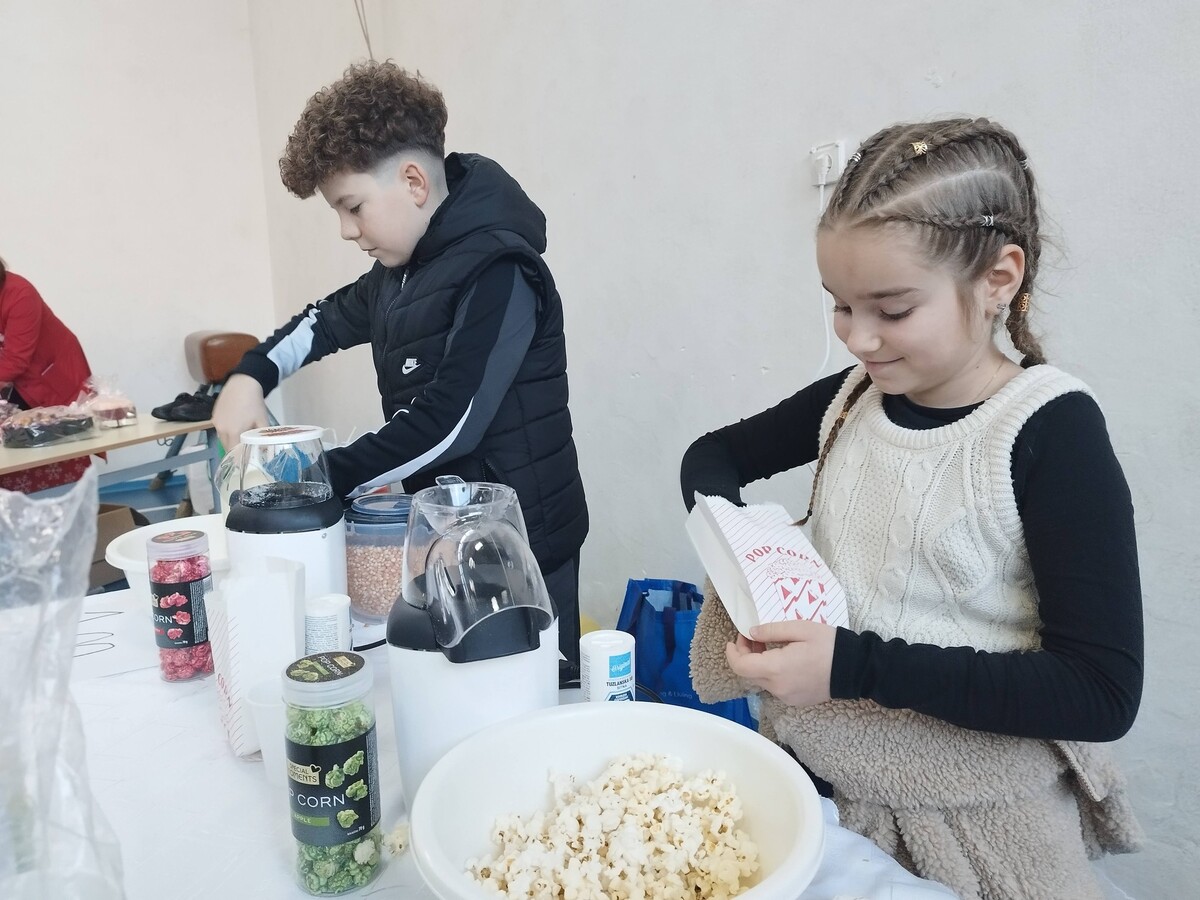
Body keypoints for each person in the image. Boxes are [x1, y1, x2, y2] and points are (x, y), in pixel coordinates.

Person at [682, 118, 1143, 898]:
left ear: (998, 279)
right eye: (839, 306)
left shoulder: (1048, 432)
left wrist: (850, 667)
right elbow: (712, 458)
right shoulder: (855, 397)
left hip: (975, 826)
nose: (859, 339)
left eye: (892, 311)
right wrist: (750, 563)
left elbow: (1100, 691)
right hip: (827, 783)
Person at [214, 61, 588, 672]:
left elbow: (449, 423)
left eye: (352, 206)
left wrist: (323, 477)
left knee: (532, 693)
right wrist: (250, 374)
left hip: (524, 545)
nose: (346, 230)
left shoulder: (500, 269)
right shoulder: (397, 276)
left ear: (413, 181)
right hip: (449, 532)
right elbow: (321, 323)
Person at [0, 257, 94, 492]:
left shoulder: (19, 293)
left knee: (56, 444)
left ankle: (66, 503)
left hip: (49, 376)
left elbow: (15, 361)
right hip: (12, 380)